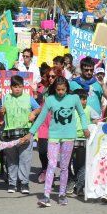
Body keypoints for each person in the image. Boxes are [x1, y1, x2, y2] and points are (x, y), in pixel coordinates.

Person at [28, 76, 90, 207]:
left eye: (63, 89)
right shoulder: (50, 99)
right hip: (54, 136)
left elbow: (82, 114)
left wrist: (85, 127)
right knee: (51, 164)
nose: (60, 92)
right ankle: (46, 195)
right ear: (54, 89)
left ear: (67, 88)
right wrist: (31, 132)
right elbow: (41, 117)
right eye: (58, 89)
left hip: (69, 136)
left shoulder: (74, 98)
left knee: (64, 166)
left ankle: (62, 194)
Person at [0, 74, 42, 194]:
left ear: (23, 87)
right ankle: (12, 183)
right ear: (10, 87)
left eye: (20, 86)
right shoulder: (5, 98)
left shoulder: (28, 98)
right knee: (11, 160)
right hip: (9, 134)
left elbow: (39, 108)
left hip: (25, 133)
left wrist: (34, 113)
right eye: (15, 86)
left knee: (25, 159)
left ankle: (24, 183)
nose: (17, 89)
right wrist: (0, 111)